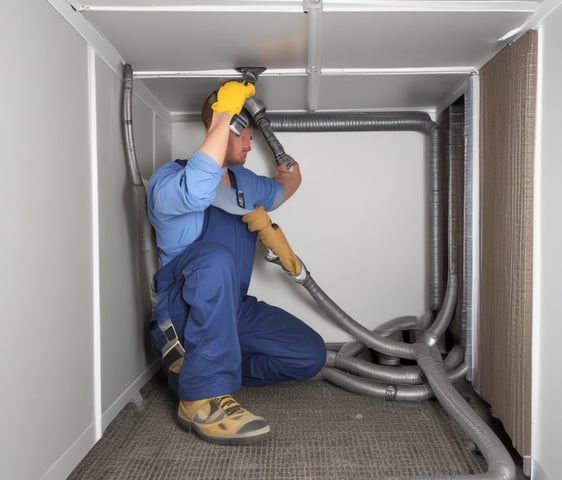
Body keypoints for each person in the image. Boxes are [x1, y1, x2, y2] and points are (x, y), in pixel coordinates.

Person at [146, 80, 326, 446]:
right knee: (214, 258)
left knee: (310, 355)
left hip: (233, 309)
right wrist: (223, 112)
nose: (249, 144)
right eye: (244, 135)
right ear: (222, 128)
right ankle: (199, 396)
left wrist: (286, 165)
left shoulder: (243, 183)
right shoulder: (170, 180)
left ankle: (207, 369)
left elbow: (284, 186)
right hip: (183, 312)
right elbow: (198, 190)